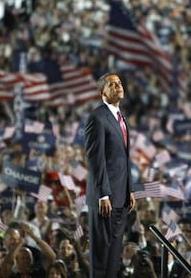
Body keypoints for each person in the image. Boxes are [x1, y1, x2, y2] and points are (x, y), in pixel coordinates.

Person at [84, 72, 136, 278]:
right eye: (112, 85)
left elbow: (123, 158)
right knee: (100, 257)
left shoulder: (121, 118)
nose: (118, 86)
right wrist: (103, 194)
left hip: (121, 197)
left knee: (113, 256)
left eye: (119, 83)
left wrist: (129, 189)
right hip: (104, 199)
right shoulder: (97, 118)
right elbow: (97, 160)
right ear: (102, 93)